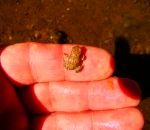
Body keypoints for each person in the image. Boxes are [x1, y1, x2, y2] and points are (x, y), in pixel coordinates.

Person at [0, 42, 144, 130]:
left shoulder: (75, 55)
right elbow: (80, 59)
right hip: (71, 65)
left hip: (70, 64)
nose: (80, 50)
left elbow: (77, 58)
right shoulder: (78, 56)